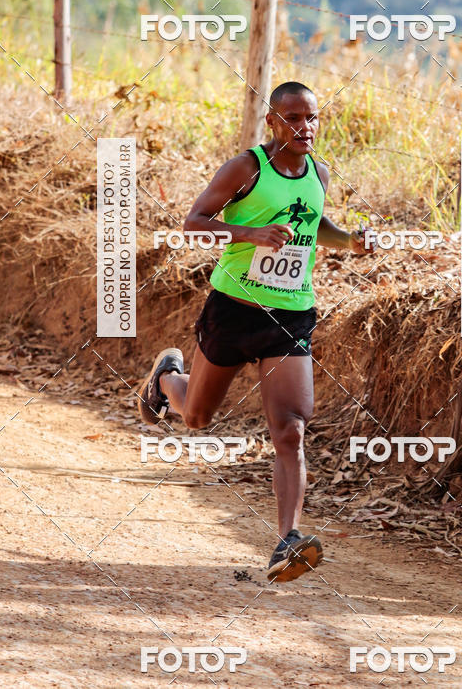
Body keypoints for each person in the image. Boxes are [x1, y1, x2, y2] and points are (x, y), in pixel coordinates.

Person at [138, 81, 376, 581]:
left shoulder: (319, 173)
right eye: (292, 118)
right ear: (272, 121)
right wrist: (249, 233)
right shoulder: (247, 168)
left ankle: (287, 539)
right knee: (198, 418)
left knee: (290, 428)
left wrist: (351, 241)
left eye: (311, 118)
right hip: (234, 309)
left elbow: (317, 225)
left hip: (290, 314)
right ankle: (166, 379)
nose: (304, 127)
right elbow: (194, 222)